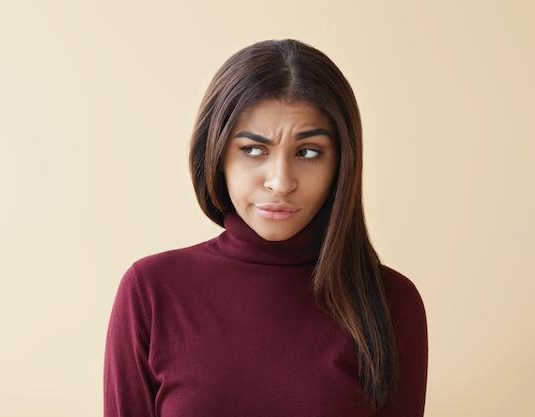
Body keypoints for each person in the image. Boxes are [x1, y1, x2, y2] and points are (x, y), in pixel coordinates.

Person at [104, 39, 428, 417]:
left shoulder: (391, 303)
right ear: (216, 155)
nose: (280, 181)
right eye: (254, 150)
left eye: (307, 152)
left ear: (341, 164)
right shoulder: (151, 291)